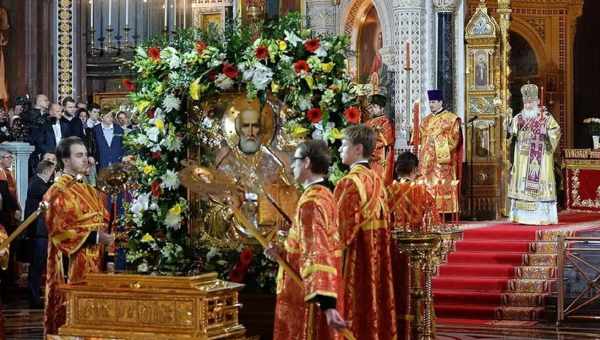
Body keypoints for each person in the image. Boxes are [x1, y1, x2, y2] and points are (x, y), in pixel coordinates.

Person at [267, 140, 346, 340]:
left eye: (295, 160)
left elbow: (317, 252)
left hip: (307, 296)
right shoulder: (325, 194)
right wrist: (282, 253)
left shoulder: (311, 203)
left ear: (307, 162)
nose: (292, 166)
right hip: (319, 286)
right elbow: (308, 245)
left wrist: (327, 306)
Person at [43, 137, 113, 335]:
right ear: (65, 160)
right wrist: (96, 238)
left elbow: (104, 222)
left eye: (86, 155)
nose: (86, 160)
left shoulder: (91, 190)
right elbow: (59, 232)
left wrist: (109, 257)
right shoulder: (56, 192)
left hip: (97, 264)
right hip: (71, 266)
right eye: (79, 155)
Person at [333, 125, 397, 340]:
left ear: (358, 149)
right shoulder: (377, 180)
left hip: (356, 261)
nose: (340, 150)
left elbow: (340, 233)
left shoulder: (349, 183)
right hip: (377, 259)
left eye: (344, 145)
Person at [388, 151, 440, 340]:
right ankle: (418, 331)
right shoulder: (422, 193)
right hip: (416, 252)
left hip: (393, 251)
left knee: (395, 291)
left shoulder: (387, 192)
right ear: (415, 170)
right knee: (416, 292)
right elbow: (433, 224)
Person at [508, 84, 561, 225]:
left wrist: (547, 133)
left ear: (537, 101)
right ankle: (521, 216)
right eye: (526, 102)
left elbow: (556, 131)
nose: (528, 104)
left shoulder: (546, 117)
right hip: (522, 159)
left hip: (539, 157)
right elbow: (509, 134)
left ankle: (541, 217)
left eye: (531, 102)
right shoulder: (518, 118)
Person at [417, 89, 462, 213]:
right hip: (426, 159)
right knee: (425, 182)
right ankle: (427, 208)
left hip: (441, 158)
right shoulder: (425, 120)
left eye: (434, 102)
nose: (431, 104)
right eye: (430, 102)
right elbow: (420, 139)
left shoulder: (451, 119)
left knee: (441, 183)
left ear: (441, 102)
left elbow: (455, 139)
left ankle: (444, 210)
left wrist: (437, 142)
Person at [25, 160, 55, 308]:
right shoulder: (37, 184)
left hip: (41, 232)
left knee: (38, 265)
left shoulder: (38, 182)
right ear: (47, 171)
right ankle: (33, 297)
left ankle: (35, 295)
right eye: (52, 171)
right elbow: (50, 195)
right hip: (38, 232)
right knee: (36, 266)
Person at [364, 93, 395, 185]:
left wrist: (371, 147)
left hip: (380, 157)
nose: (372, 109)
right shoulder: (368, 123)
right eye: (371, 106)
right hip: (368, 157)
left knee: (380, 182)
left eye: (375, 106)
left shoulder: (386, 122)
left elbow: (387, 140)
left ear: (381, 108)